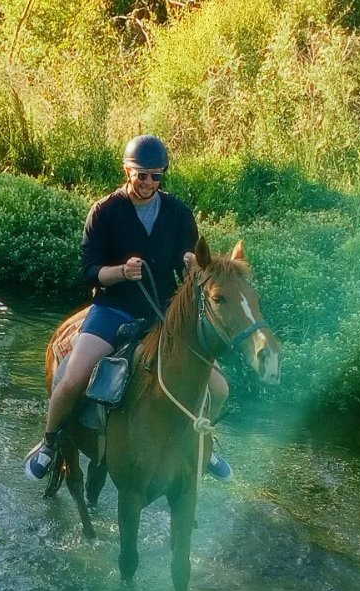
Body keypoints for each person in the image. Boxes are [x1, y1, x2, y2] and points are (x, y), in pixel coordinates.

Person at [24, 134, 234, 482]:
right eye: (142, 175)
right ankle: (49, 442)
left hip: (163, 312)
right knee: (74, 377)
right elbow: (90, 271)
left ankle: (203, 443)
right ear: (127, 171)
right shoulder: (104, 212)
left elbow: (194, 267)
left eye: (156, 175)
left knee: (219, 388)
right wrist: (121, 272)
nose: (149, 183)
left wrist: (191, 264)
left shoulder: (178, 212)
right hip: (114, 308)